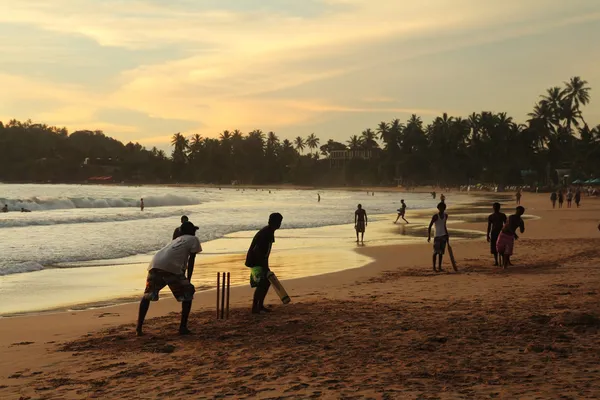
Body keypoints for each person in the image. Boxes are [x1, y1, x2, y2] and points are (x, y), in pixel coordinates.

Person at [136, 221, 202, 336]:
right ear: (192, 231)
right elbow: (191, 260)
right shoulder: (193, 239)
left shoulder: (176, 240)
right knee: (188, 293)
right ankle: (182, 328)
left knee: (147, 296)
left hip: (155, 264)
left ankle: (138, 328)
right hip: (171, 267)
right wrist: (188, 279)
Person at [246, 213, 283, 314]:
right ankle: (255, 308)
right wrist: (264, 266)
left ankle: (260, 306)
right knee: (262, 283)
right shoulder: (266, 233)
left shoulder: (269, 231)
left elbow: (266, 252)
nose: (280, 224)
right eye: (279, 222)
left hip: (259, 261)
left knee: (265, 283)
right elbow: (258, 251)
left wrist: (266, 266)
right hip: (255, 261)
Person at [427, 202, 449, 272]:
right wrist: (429, 236)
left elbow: (444, 225)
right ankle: (434, 267)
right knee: (435, 252)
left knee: (441, 253)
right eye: (440, 208)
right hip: (437, 236)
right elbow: (430, 226)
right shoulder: (435, 216)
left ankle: (439, 267)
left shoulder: (446, 216)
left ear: (444, 208)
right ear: (438, 208)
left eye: (443, 208)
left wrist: (447, 234)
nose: (442, 209)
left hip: (443, 235)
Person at [486, 202, 507, 267]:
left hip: (501, 233)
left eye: (496, 207)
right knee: (494, 247)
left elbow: (506, 224)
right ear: (493, 208)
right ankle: (496, 261)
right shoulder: (491, 216)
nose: (495, 208)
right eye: (494, 207)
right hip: (494, 233)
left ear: (499, 208)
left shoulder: (502, 215)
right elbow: (489, 226)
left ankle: (503, 261)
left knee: (502, 247)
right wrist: (487, 235)